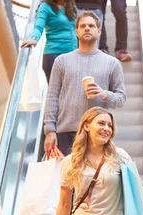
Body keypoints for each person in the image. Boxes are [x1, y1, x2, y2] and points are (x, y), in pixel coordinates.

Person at [44, 10, 126, 156]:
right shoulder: (61, 61)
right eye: (82, 26)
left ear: (99, 31)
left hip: (97, 134)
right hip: (65, 132)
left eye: (91, 26)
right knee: (65, 179)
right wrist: (50, 130)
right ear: (76, 32)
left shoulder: (113, 63)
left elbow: (121, 100)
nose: (87, 28)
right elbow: (52, 97)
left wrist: (103, 94)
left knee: (94, 179)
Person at [20, 0, 78, 82]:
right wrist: (34, 39)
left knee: (71, 91)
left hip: (72, 55)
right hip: (54, 55)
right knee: (56, 92)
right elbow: (38, 27)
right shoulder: (45, 6)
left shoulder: (71, 8)